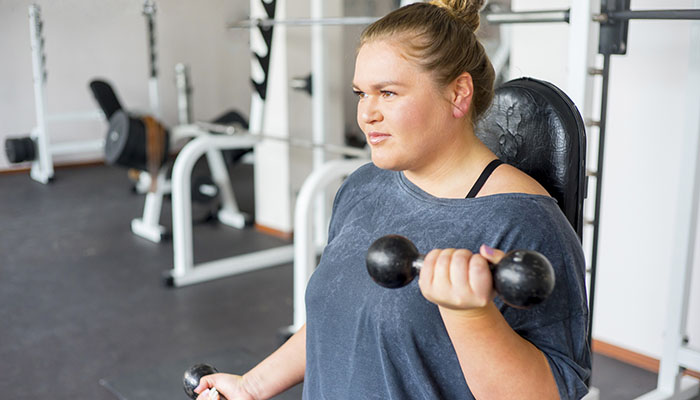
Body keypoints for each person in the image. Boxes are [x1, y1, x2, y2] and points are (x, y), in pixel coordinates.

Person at [195, 0, 591, 399]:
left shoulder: (524, 223)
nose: (366, 113)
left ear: (458, 94)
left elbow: (549, 394)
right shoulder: (365, 184)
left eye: (387, 92)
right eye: (360, 94)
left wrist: (470, 315)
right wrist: (252, 386)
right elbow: (340, 314)